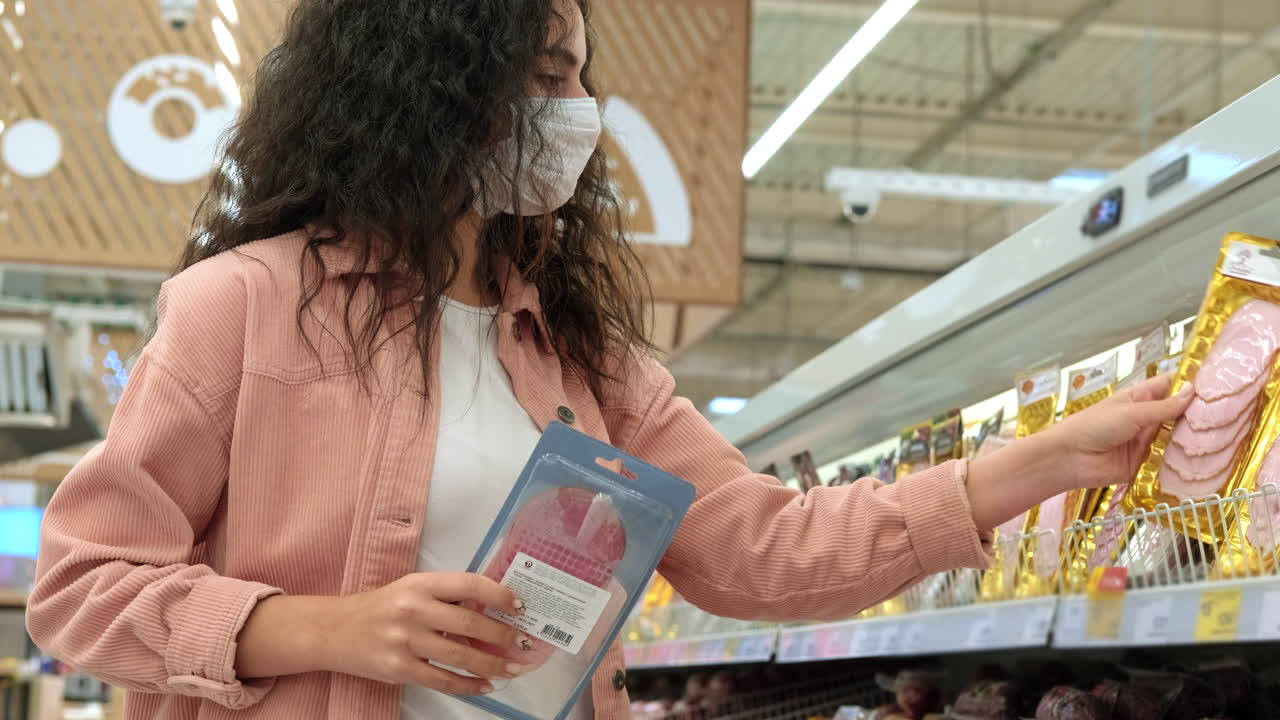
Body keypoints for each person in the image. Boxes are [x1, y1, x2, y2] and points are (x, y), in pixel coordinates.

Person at [24, 1, 1193, 719]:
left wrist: (1033, 465)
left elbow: (761, 549)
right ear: (425, 89)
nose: (577, 110)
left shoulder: (588, 362)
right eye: (545, 77)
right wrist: (327, 629)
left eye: (579, 77)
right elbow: (81, 588)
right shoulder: (242, 307)